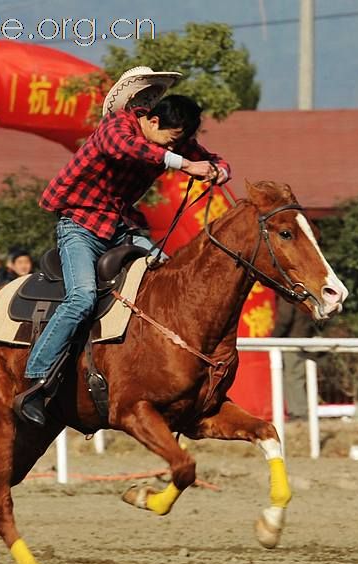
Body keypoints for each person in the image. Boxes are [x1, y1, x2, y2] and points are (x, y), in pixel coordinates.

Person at [14, 66, 231, 425]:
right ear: (153, 120)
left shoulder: (171, 140)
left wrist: (219, 169)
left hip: (120, 228)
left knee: (169, 277)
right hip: (79, 227)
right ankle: (35, 383)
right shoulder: (115, 128)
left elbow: (209, 158)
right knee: (82, 297)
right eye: (172, 140)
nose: (176, 147)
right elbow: (131, 150)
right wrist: (185, 164)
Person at [273, 298, 317, 420]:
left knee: (292, 377)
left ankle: (298, 411)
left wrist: (272, 337)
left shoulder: (288, 298)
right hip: (303, 338)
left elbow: (284, 318)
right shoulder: (307, 297)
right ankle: (298, 410)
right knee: (298, 376)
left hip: (290, 340)